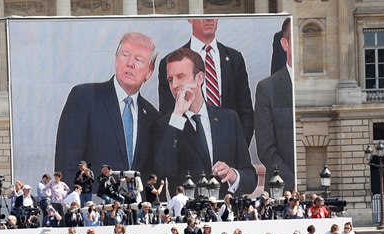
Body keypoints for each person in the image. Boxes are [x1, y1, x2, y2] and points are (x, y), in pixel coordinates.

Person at [54, 32, 161, 181]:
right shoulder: (84, 97)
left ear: (149, 72)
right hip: (93, 202)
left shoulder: (152, 116)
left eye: (138, 59)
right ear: (116, 60)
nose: (130, 63)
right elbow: (67, 165)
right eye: (125, 55)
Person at [154, 47, 257, 198]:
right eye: (170, 79)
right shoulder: (166, 125)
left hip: (225, 213)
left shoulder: (228, 119)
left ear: (200, 78)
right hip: (188, 215)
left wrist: (233, 174)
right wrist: (177, 115)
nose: (175, 85)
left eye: (181, 76)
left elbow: (250, 177)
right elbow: (163, 170)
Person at [157, 18, 254, 146]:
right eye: (202, 14)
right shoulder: (170, 63)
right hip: (189, 155)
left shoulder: (234, 58)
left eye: (213, 13)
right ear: (190, 18)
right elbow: (168, 113)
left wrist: (237, 149)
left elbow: (246, 112)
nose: (209, 18)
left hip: (229, 153)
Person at [255, 17, 296, 192]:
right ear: (284, 43)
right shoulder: (267, 88)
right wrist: (296, 182)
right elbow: (266, 149)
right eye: (296, 41)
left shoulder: (322, 83)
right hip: (281, 189)